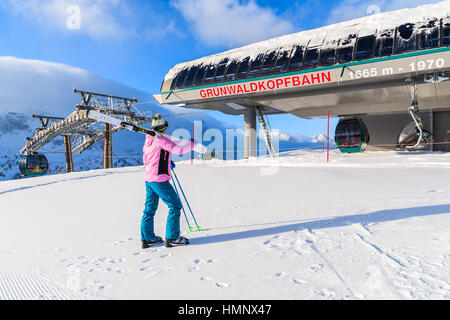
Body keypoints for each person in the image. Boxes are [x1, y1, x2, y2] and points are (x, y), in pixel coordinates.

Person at [140, 114, 195, 249]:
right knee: (175, 205)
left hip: (149, 179)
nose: (166, 131)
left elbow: (149, 158)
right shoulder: (160, 139)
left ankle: (147, 238)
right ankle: (172, 237)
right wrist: (193, 144)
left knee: (149, 209)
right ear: (162, 129)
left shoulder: (149, 140)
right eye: (165, 128)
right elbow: (179, 149)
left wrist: (166, 161)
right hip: (159, 180)